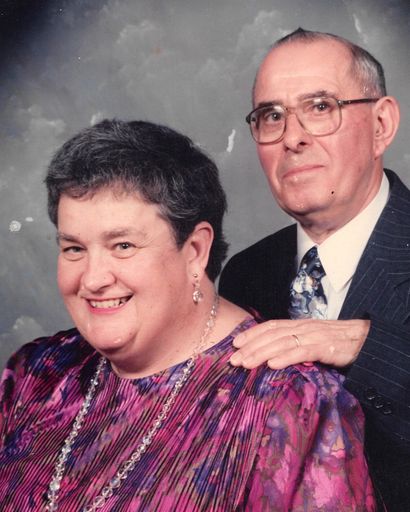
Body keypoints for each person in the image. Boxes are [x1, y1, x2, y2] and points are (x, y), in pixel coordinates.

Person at [0, 119, 374, 511]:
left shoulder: (293, 401)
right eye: (74, 249)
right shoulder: (37, 371)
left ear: (195, 250)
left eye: (123, 246)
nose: (92, 279)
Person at [219, 28, 410, 510]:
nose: (293, 138)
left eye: (321, 107)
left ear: (382, 125)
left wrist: (365, 344)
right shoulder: (246, 273)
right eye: (272, 116)